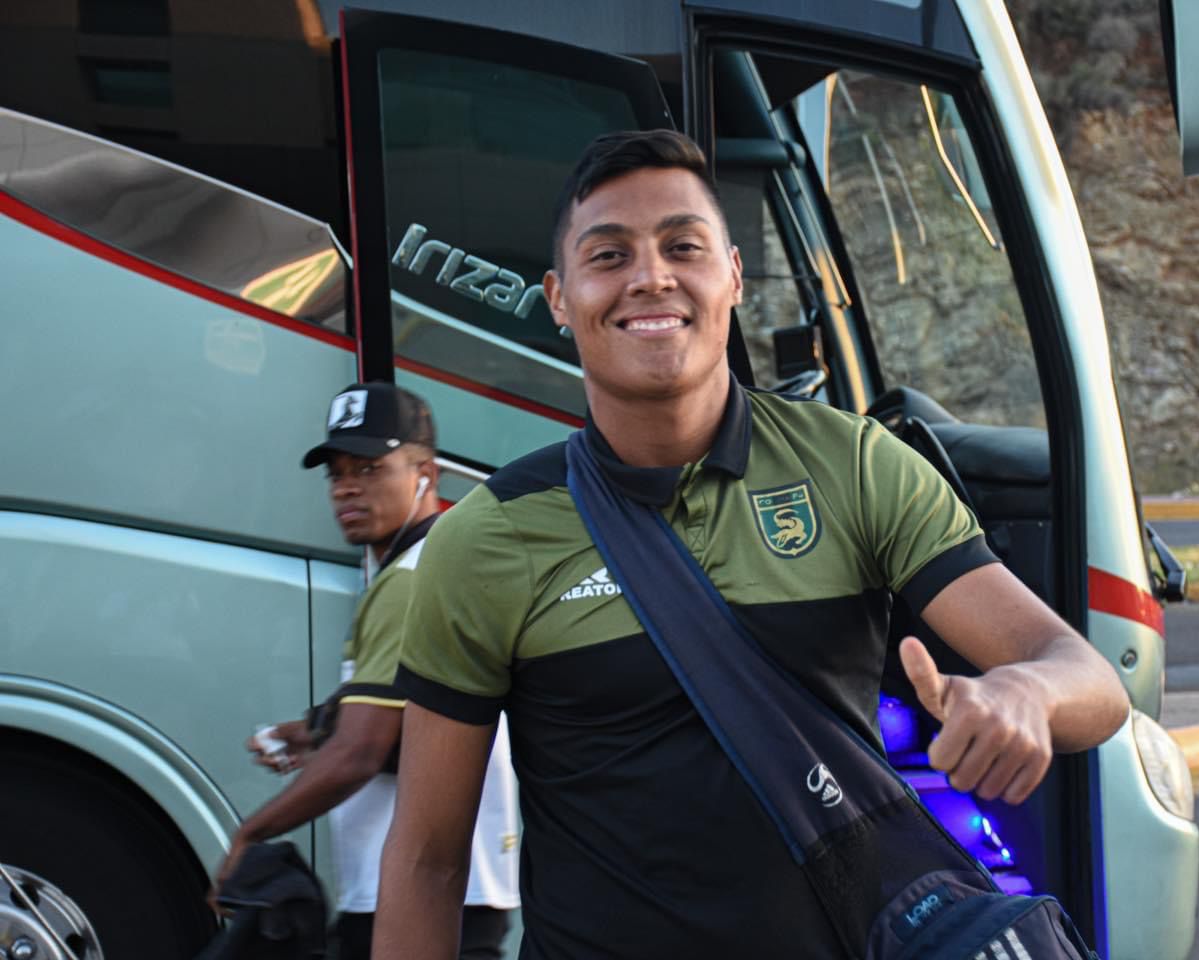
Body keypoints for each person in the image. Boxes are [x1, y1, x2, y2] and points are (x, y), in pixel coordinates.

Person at [375, 130, 1130, 959]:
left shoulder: (853, 466)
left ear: (733, 274)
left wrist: (1026, 692)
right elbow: (426, 861)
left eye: (683, 247)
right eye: (609, 255)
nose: (651, 276)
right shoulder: (488, 536)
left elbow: (1092, 682)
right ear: (559, 297)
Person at [210, 382, 519, 960]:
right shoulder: (435, 563)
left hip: (415, 897)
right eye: (337, 473)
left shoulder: (410, 579)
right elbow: (411, 711)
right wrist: (317, 727)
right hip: (450, 889)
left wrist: (252, 833)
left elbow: (362, 751)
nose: (347, 487)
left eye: (371, 468)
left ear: (425, 474)